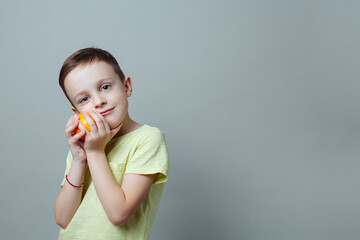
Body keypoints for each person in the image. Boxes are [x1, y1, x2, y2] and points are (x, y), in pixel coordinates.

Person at [54, 47, 169, 240]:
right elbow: (63, 218)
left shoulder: (147, 139)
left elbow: (119, 214)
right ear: (77, 113)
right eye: (84, 99)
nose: (98, 101)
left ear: (127, 87)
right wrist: (79, 160)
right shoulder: (84, 147)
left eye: (105, 87)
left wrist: (96, 153)